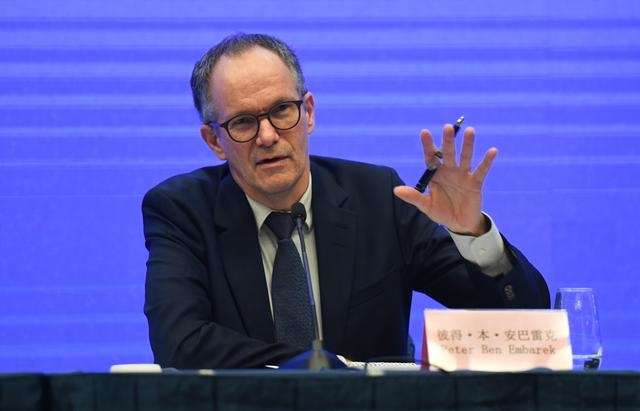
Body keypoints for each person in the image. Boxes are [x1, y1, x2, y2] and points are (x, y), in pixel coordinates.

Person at [142, 33, 550, 369]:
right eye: (244, 122)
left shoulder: (379, 200)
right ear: (214, 141)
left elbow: (525, 323)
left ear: (310, 112)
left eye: (282, 110)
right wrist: (323, 369)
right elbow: (180, 344)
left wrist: (471, 232)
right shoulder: (181, 210)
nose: (268, 136)